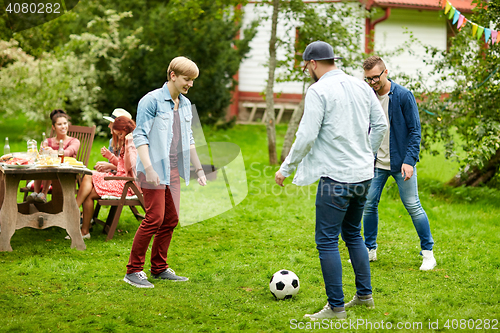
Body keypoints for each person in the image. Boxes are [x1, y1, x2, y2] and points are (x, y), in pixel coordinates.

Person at [275, 41, 388, 320]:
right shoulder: (361, 85)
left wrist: (286, 168)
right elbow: (381, 125)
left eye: (306, 67)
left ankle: (336, 308)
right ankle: (364, 296)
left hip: (337, 177)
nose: (307, 71)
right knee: (353, 234)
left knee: (326, 241)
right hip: (364, 174)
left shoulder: (318, 90)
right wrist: (366, 153)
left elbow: (306, 135)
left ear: (313, 64)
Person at [123, 56, 207, 288]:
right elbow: (139, 136)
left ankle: (159, 268)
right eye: (187, 79)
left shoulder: (186, 104)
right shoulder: (151, 101)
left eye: (192, 81)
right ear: (172, 75)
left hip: (172, 169)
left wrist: (198, 168)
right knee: (154, 218)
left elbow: (188, 138)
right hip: (152, 168)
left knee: (171, 219)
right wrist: (148, 168)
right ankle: (133, 270)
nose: (190, 84)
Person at [362, 56, 436, 271]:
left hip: (401, 163)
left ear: (386, 72)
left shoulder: (403, 96)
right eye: (368, 79)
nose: (372, 82)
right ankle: (369, 250)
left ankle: (428, 253)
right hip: (376, 163)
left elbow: (415, 131)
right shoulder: (369, 96)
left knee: (413, 205)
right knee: (368, 204)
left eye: (375, 77)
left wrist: (409, 161)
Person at [69, 116, 138, 239]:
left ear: (126, 130)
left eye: (120, 134)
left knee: (89, 184)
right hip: (120, 179)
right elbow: (122, 166)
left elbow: (128, 166)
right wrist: (110, 156)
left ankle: (75, 214)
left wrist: (127, 144)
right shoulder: (127, 142)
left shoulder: (132, 143)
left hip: (127, 185)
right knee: (88, 175)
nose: (120, 137)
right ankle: (80, 221)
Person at [27, 109, 80, 203]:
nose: (63, 126)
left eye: (65, 123)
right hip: (44, 175)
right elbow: (40, 158)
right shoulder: (47, 141)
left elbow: (68, 152)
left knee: (51, 164)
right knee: (44, 162)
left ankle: (43, 194)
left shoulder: (74, 141)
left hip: (65, 176)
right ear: (53, 127)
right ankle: (36, 194)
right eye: (59, 124)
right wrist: (41, 152)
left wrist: (53, 152)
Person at [95, 108, 133, 173]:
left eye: (111, 123)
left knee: (88, 176)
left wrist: (109, 166)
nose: (109, 126)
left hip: (123, 177)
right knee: (89, 174)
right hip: (116, 174)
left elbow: (128, 168)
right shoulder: (112, 142)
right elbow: (113, 169)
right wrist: (104, 167)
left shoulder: (130, 143)